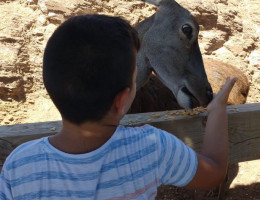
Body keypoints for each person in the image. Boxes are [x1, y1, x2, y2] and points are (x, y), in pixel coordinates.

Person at [0, 14, 237, 200]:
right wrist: (217, 110)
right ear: (122, 100)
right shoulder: (151, 146)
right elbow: (214, 172)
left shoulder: (20, 164)